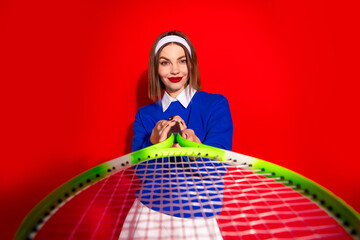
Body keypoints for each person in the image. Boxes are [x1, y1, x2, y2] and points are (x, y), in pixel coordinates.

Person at [120, 30, 233, 240]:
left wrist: (194, 151)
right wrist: (154, 144)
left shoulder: (216, 104)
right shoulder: (145, 115)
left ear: (192, 64)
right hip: (150, 217)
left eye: (182, 61)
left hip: (197, 219)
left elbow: (219, 166)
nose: (174, 70)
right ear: (156, 68)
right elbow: (142, 172)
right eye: (165, 62)